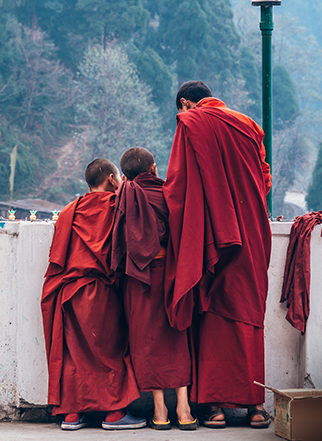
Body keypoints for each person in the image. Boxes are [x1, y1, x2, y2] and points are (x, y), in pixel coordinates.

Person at [163, 81, 273, 429]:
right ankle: (255, 407)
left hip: (213, 233)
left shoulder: (191, 123)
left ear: (185, 103)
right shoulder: (249, 125)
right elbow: (264, 180)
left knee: (211, 314)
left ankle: (214, 408)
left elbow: (177, 184)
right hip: (252, 233)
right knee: (247, 312)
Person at [41, 158, 146, 431]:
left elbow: (59, 255)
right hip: (102, 290)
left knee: (73, 353)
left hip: (69, 290)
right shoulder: (116, 207)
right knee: (109, 350)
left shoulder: (69, 211)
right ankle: (113, 414)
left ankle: (72, 414)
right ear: (112, 180)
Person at [111, 147, 196, 431]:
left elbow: (119, 241)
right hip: (172, 275)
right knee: (176, 334)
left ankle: (160, 410)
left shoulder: (124, 195)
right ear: (154, 169)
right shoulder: (170, 193)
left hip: (139, 279)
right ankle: (183, 408)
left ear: (124, 176)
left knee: (145, 339)